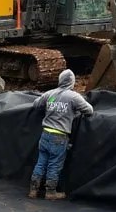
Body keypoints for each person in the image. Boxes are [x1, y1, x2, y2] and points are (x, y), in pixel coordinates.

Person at [29, 69, 94, 200]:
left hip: (45, 134)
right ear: (72, 82)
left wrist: (51, 106)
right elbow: (89, 110)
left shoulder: (50, 94)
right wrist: (75, 112)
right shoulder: (73, 97)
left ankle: (33, 190)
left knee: (41, 163)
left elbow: (36, 104)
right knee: (54, 164)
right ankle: (50, 192)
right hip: (59, 137)